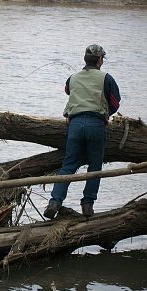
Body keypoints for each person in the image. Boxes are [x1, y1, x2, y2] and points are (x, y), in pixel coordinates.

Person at [44, 44, 121, 219]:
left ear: (85, 59)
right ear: (100, 60)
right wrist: (106, 112)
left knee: (68, 165)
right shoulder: (106, 78)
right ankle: (87, 204)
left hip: (75, 125)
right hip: (96, 125)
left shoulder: (72, 78)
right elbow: (115, 103)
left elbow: (67, 91)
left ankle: (55, 202)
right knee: (95, 167)